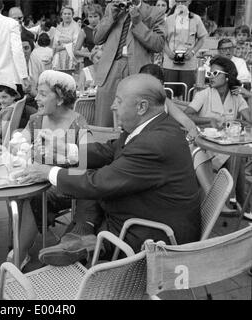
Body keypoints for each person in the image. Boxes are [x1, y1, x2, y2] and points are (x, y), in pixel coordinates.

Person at [14, 74, 200, 266]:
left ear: (142, 107)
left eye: (118, 101)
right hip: (146, 207)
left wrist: (48, 172)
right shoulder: (154, 126)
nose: (112, 106)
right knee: (89, 175)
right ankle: (82, 235)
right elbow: (110, 150)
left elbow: (98, 183)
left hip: (152, 236)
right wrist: (67, 149)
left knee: (92, 183)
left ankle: (85, 240)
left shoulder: (154, 142)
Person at [12, 70, 92, 269]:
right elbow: (20, 140)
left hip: (65, 182)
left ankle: (19, 254)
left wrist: (57, 157)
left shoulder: (77, 123)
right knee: (13, 191)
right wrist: (18, 142)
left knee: (34, 197)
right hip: (36, 175)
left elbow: (86, 163)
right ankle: (21, 240)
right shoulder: (37, 119)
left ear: (60, 98)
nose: (36, 98)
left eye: (43, 93)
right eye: (37, 93)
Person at [184, 56, 251, 207]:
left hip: (224, 146)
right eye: (209, 73)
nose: (210, 77)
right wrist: (208, 120)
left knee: (236, 156)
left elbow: (250, 120)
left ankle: (230, 201)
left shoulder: (236, 97)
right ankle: (236, 202)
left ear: (227, 76)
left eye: (215, 74)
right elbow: (187, 115)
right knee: (236, 158)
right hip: (203, 146)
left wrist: (249, 96)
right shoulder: (204, 94)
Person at [93, 0, 165, 127]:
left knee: (133, 119)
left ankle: (131, 145)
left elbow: (158, 44)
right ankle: (103, 145)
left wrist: (137, 22)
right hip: (110, 68)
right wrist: (111, 17)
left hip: (137, 70)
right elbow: (97, 38)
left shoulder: (154, 12)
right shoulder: (112, 8)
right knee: (104, 120)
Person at [139, 63, 199, 140]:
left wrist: (192, 130)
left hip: (161, 140)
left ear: (161, 84)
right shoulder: (133, 100)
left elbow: (186, 120)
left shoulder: (164, 101)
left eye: (153, 84)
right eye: (145, 84)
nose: (149, 88)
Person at [163, 0, 207, 100]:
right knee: (168, 95)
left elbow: (202, 37)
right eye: (178, 1)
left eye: (183, 1)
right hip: (170, 63)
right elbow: (162, 39)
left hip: (188, 63)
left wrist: (192, 52)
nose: (181, 4)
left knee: (187, 95)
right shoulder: (168, 19)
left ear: (189, 2)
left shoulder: (196, 19)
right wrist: (169, 52)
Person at [52, 6, 80, 72]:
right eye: (65, 14)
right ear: (61, 15)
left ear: (72, 15)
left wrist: (63, 47)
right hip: (58, 55)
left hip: (70, 55)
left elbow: (76, 43)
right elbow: (55, 43)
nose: (67, 16)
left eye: (69, 14)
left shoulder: (76, 27)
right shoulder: (58, 27)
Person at [74, 4, 102, 68]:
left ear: (100, 16)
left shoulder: (104, 29)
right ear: (87, 18)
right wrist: (89, 54)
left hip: (104, 61)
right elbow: (76, 51)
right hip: (90, 63)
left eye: (95, 16)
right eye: (90, 17)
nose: (93, 19)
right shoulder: (84, 31)